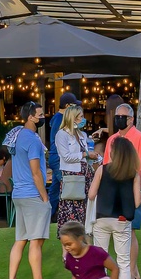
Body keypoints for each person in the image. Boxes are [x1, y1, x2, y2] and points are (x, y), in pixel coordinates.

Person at [5, 100, 60, 279]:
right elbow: (36, 172)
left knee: (21, 240)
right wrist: (45, 198)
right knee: (36, 241)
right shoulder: (32, 140)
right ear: (31, 117)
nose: (43, 116)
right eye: (40, 114)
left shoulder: (17, 136)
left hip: (19, 194)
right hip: (32, 195)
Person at [86, 136, 139, 279]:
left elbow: (91, 194)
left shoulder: (102, 170)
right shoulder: (133, 174)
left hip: (102, 218)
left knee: (100, 258)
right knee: (123, 261)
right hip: (122, 220)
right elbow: (137, 202)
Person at [103, 103, 141, 279]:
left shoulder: (139, 138)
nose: (118, 119)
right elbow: (107, 166)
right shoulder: (112, 140)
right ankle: (134, 271)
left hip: (132, 188)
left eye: (121, 116)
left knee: (129, 230)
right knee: (120, 230)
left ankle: (130, 272)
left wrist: (140, 190)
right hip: (115, 190)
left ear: (131, 119)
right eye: (117, 116)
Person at [53, 104, 95, 232]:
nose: (83, 119)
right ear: (73, 118)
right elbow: (66, 156)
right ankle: (67, 246)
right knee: (71, 209)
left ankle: (83, 239)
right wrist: (84, 154)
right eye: (81, 117)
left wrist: (93, 156)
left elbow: (86, 155)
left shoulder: (82, 134)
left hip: (86, 175)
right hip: (72, 176)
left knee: (85, 209)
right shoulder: (62, 134)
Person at [45, 91, 81, 222]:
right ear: (67, 105)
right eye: (74, 105)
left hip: (56, 158)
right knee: (69, 187)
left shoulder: (57, 118)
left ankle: (47, 217)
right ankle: (72, 218)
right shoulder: (61, 119)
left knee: (55, 190)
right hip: (59, 159)